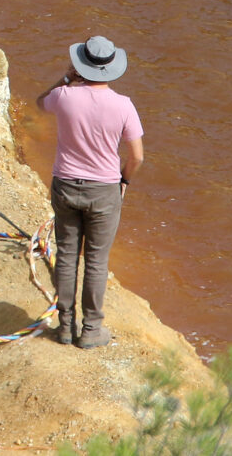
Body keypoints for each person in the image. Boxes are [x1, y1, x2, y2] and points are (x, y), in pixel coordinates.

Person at [36, 34, 143, 348]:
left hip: (66, 185)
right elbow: (137, 156)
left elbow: (40, 103)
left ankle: (65, 328)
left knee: (67, 258)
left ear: (81, 64)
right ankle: (92, 331)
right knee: (96, 261)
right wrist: (124, 181)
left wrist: (66, 78)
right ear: (111, 68)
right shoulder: (124, 105)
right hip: (105, 191)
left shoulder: (64, 96)